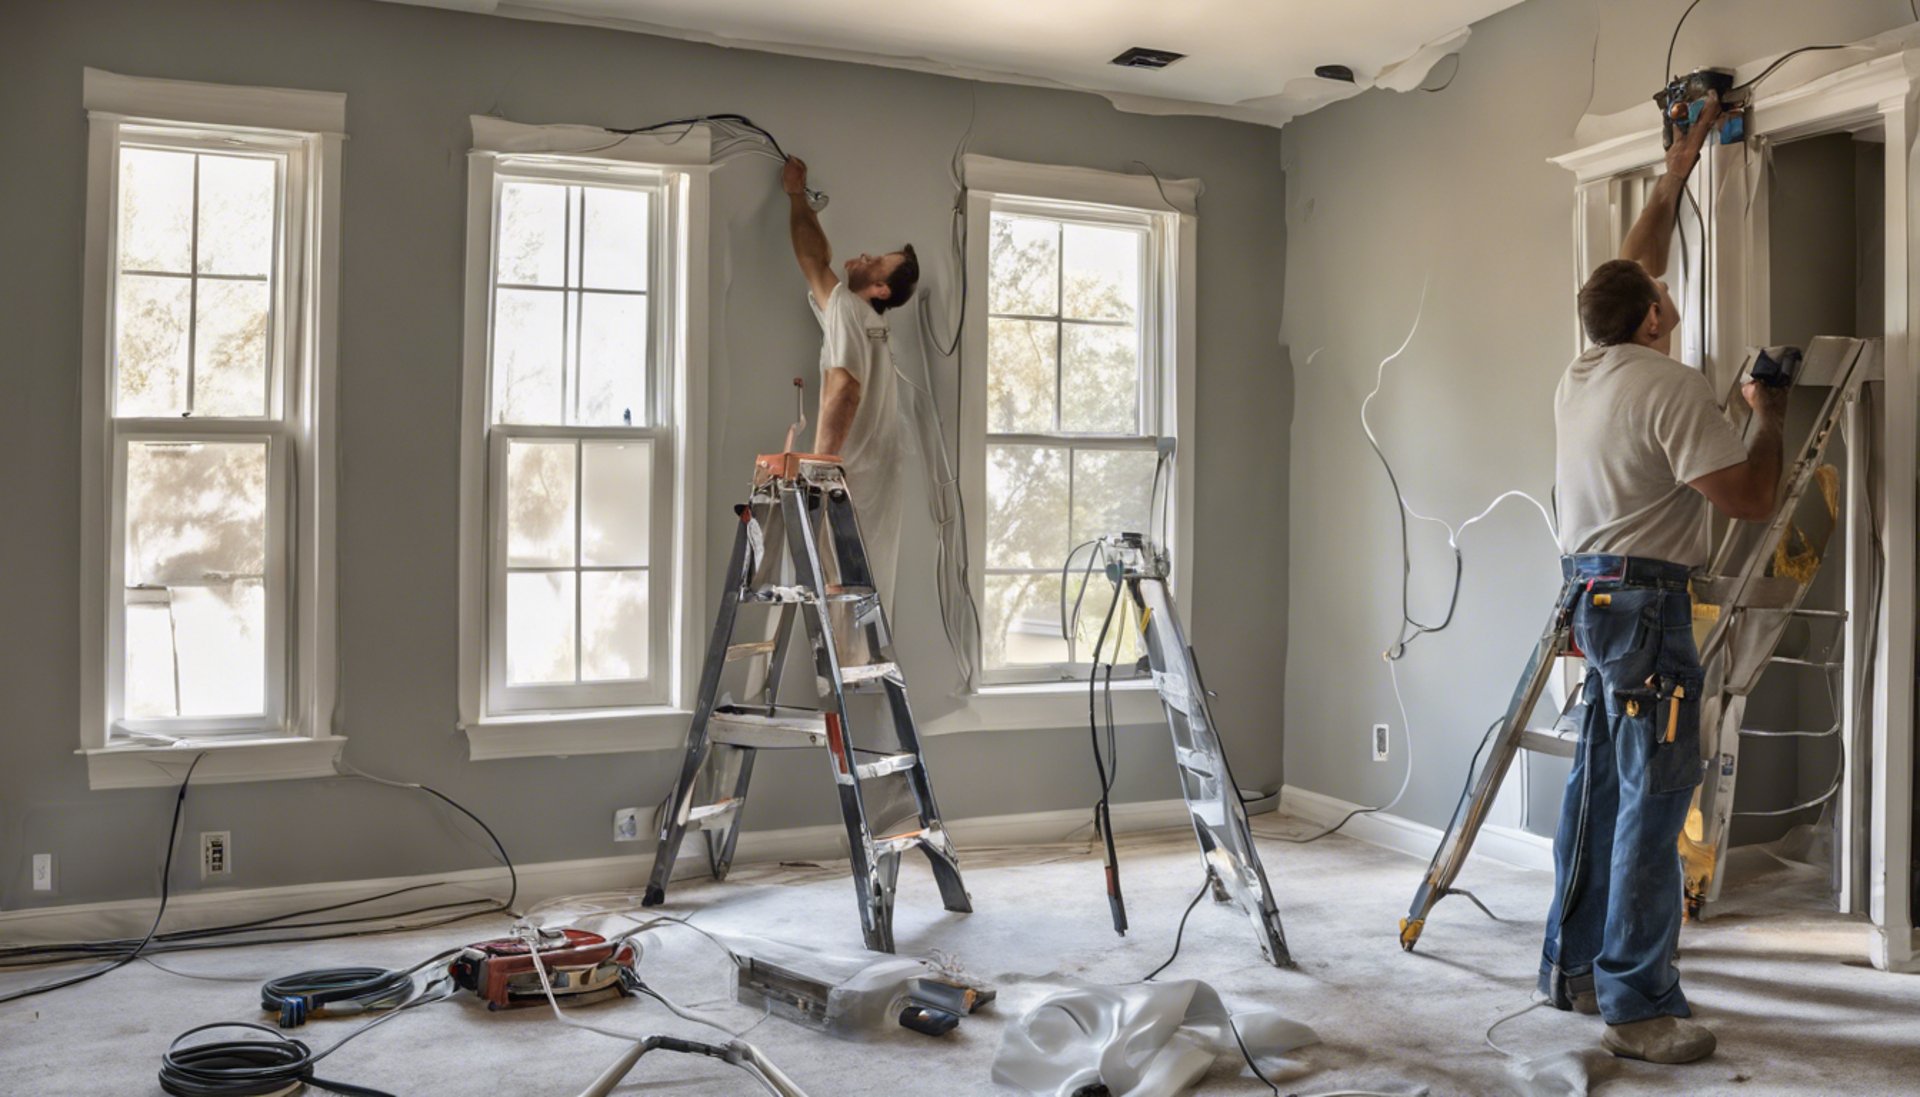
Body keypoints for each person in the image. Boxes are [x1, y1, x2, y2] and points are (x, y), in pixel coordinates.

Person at [1542, 91, 1784, 1065]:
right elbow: (1748, 497)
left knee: (1600, 785)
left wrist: (1678, 169)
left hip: (1592, 600)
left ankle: (1574, 968)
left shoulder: (1584, 371)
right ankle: (1640, 1002)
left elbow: (1634, 261)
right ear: (1649, 320)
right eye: (1665, 302)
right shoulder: (1672, 387)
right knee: (1653, 797)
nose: (1674, 305)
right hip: (1646, 604)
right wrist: (1766, 407)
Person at [781, 155, 919, 610]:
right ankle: (861, 677)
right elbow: (814, 260)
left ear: (881, 291)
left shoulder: (848, 310)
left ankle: (848, 677)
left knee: (837, 594)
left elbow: (844, 388)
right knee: (865, 596)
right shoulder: (865, 321)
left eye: (877, 262)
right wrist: (799, 200)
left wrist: (818, 466)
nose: (866, 255)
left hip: (851, 479)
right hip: (877, 475)